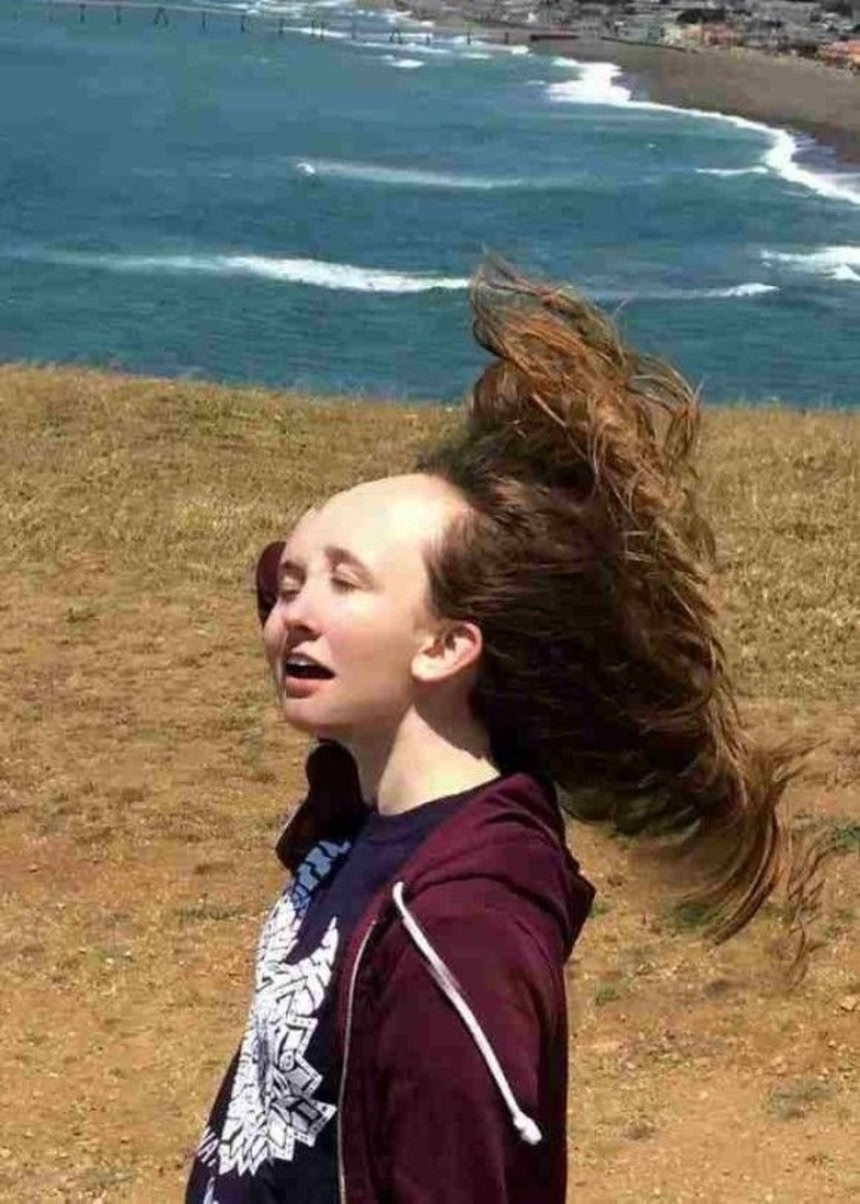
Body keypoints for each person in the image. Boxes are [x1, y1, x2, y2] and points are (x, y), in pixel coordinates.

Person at [186, 261, 820, 1204]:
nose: (292, 615)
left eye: (343, 583)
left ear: (448, 647)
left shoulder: (460, 931)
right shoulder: (369, 809)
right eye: (289, 583)